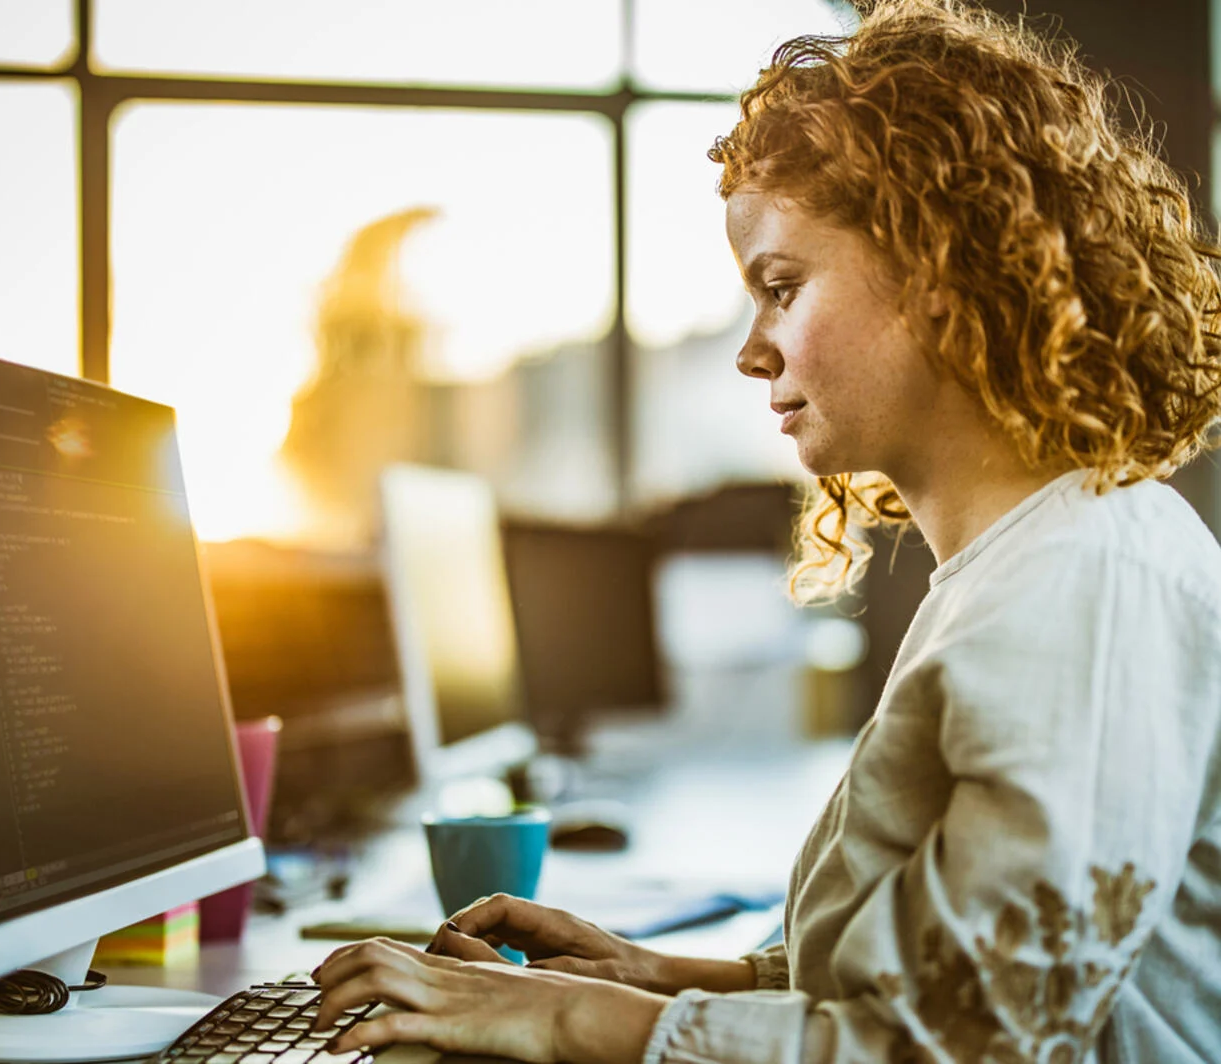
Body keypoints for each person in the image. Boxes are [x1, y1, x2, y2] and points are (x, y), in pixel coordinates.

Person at [310, 0, 1221, 1060]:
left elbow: (967, 1044)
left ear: (941, 268)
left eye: (780, 287)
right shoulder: (1015, 567)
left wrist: (560, 1014)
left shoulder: (1088, 581)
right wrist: (666, 975)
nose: (753, 350)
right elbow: (934, 963)